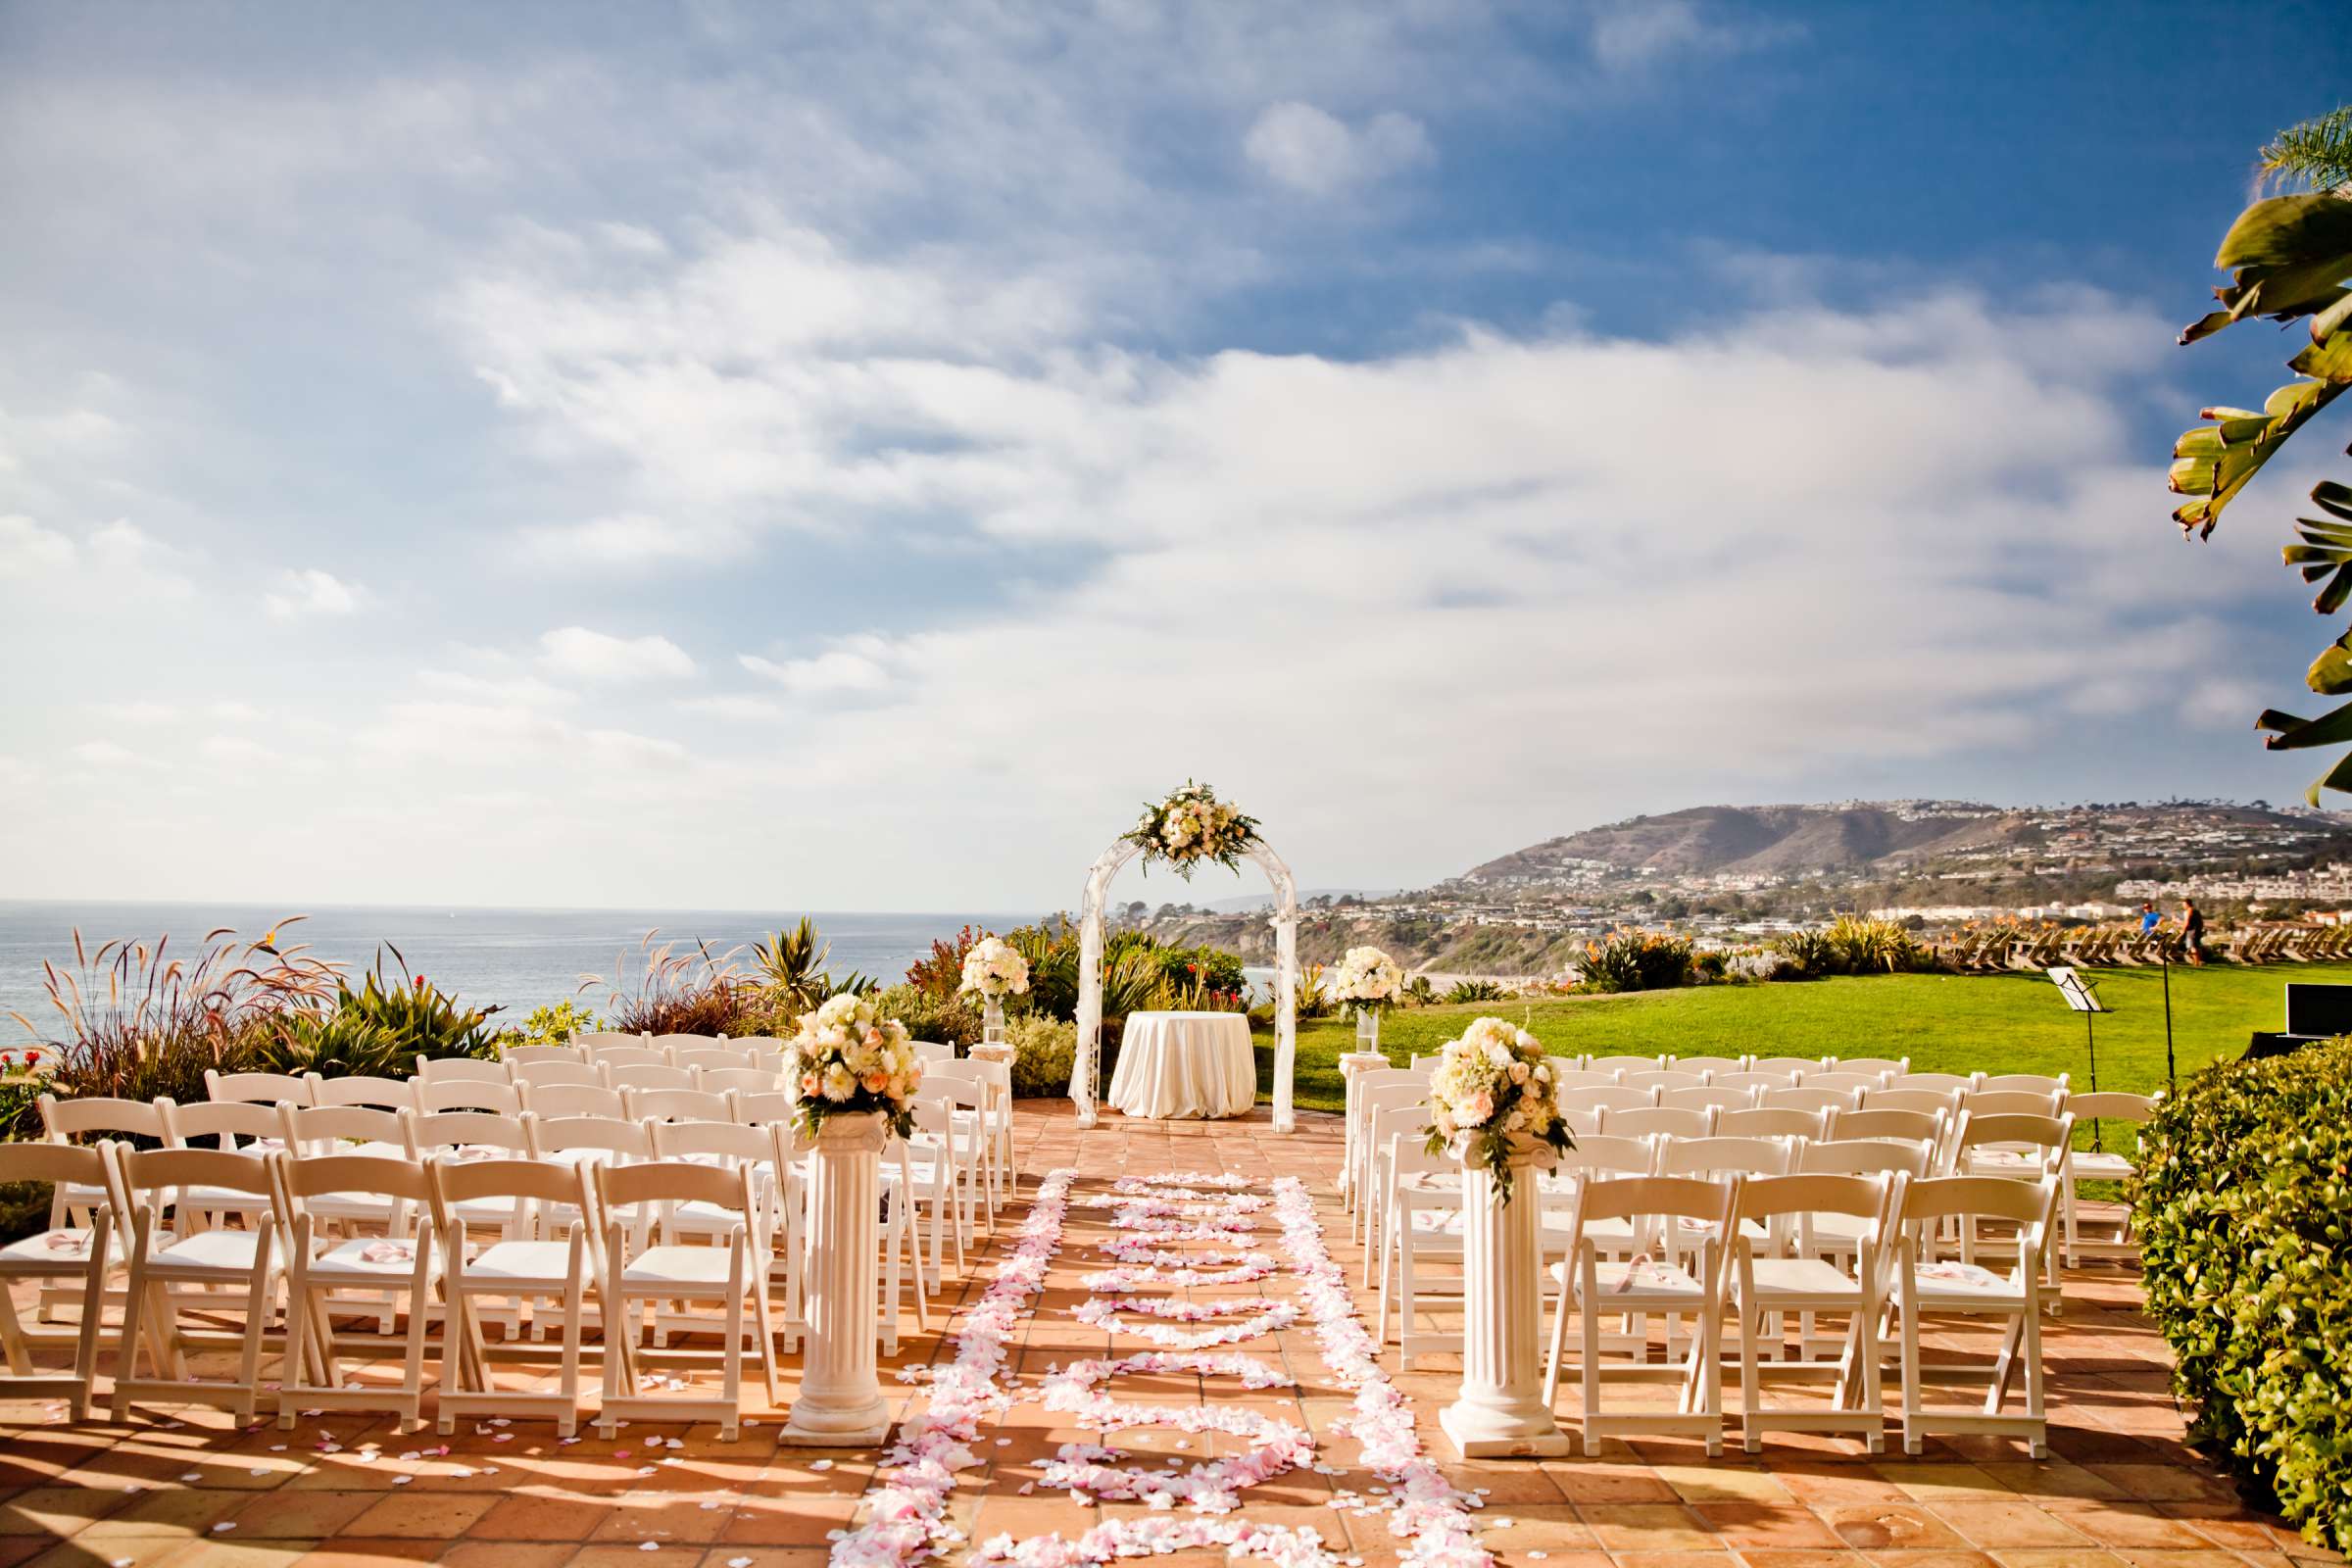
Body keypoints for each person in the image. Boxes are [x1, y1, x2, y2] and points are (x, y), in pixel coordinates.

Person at [2180, 899, 2206, 965]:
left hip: (2191, 931)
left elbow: (2187, 921)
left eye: (2183, 904)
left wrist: (2183, 930)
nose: (2183, 906)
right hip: (2197, 931)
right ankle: (2198, 962)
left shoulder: (2189, 911)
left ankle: (2196, 963)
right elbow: (2201, 922)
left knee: (2192, 947)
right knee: (2196, 947)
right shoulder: (2196, 911)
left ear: (2187, 904)